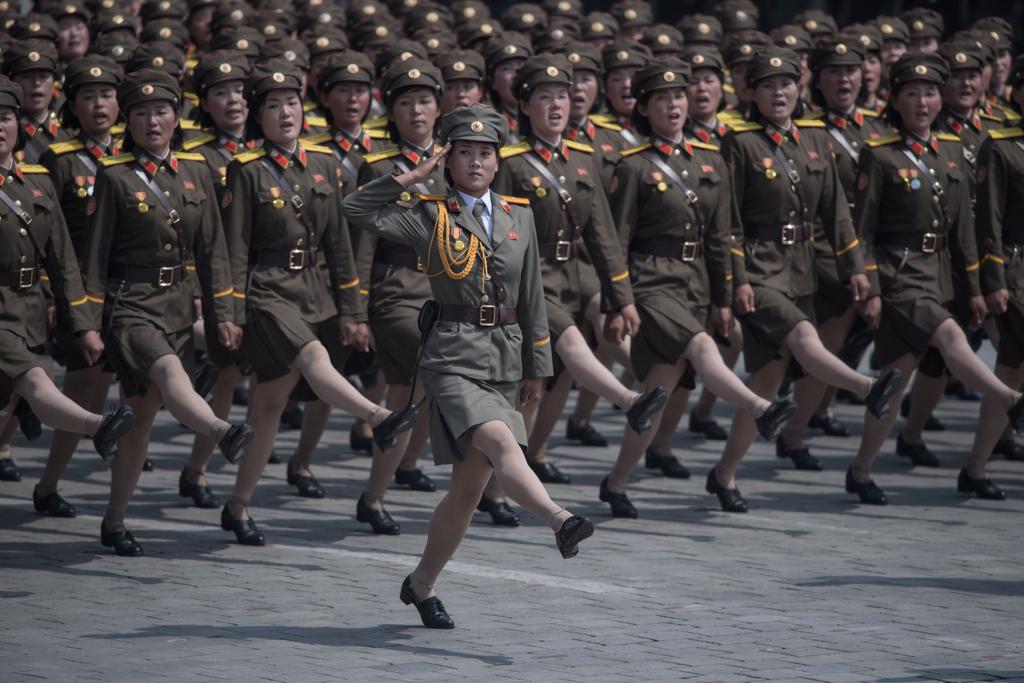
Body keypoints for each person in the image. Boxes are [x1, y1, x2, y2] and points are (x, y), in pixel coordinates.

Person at [344, 103, 595, 630]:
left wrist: (537, 365)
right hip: (451, 358)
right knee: (503, 444)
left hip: (504, 358)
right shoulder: (430, 213)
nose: (476, 162)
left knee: (466, 492)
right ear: (448, 159)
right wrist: (409, 177)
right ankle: (560, 519)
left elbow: (532, 299)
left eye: (485, 153)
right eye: (464, 153)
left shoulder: (517, 215)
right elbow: (355, 209)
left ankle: (421, 585)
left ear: (497, 161)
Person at [220, 64, 414, 545]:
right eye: (271, 105)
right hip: (267, 290)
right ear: (256, 115)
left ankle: (237, 505)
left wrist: (352, 309)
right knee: (313, 358)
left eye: (291, 103)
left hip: (317, 289)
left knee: (268, 406)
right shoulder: (245, 170)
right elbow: (234, 248)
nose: (284, 113)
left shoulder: (325, 164)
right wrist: (230, 312)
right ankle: (377, 417)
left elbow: (340, 245)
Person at [709, 47, 901, 513]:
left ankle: (724, 473)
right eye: (768, 86)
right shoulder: (740, 142)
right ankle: (867, 387)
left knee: (767, 382)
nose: (779, 93)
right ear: (750, 94)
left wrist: (857, 269)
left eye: (787, 84)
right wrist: (734, 280)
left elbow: (837, 215)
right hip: (758, 270)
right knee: (803, 334)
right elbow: (726, 219)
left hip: (802, 269)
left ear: (800, 88)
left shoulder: (816, 139)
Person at [599, 60, 794, 518]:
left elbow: (722, 235)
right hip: (650, 281)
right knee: (702, 347)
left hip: (696, 285)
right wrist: (620, 301)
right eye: (661, 99)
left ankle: (616, 481)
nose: (673, 105)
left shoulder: (709, 160)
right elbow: (615, 241)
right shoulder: (632, 168)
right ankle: (758, 406)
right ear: (644, 108)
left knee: (659, 394)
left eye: (679, 97)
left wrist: (724, 299)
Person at [80, 69, 253, 556]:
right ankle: (221, 430)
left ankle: (114, 520)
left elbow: (215, 248)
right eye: (140, 113)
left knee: (139, 418)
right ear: (126, 121)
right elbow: (94, 257)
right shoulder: (113, 176)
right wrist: (87, 324)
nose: (152, 121)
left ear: (177, 117)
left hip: (179, 303)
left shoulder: (197, 170)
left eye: (161, 112)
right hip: (130, 305)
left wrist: (225, 312)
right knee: (168, 368)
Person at [846, 53, 1024, 505]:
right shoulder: (879, 155)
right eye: (912, 93)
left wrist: (977, 286)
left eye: (929, 92)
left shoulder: (952, 152)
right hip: (900, 274)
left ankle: (860, 469)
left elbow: (965, 229)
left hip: (941, 275)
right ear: (896, 100)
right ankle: (1008, 397)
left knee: (893, 379)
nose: (922, 101)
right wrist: (870, 286)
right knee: (948, 337)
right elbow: (861, 230)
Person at [493, 54, 668, 498]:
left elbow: (605, 237)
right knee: (560, 352)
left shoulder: (584, 159)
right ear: (525, 105)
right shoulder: (510, 163)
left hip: (577, 270)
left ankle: (650, 383)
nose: (556, 106)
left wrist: (621, 298)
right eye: (545, 98)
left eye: (563, 97)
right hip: (531, 276)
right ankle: (630, 401)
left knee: (606, 329)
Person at [0, 74, 134, 497]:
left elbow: (62, 259)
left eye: (5, 118)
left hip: (30, 310)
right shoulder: (57, 166)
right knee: (35, 379)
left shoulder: (35, 181)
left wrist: (84, 323)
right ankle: (98, 424)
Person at [774, 36, 890, 471]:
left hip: (876, 250)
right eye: (834, 72)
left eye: (852, 71)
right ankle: (796, 429)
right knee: (823, 345)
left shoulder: (877, 129)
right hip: (823, 256)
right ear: (815, 81)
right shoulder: (809, 134)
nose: (845, 79)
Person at [352, 59, 446, 535]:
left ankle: (381, 489)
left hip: (448, 290)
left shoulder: (460, 161)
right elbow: (362, 245)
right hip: (397, 294)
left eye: (424, 101)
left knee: (413, 396)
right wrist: (356, 310)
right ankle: (377, 492)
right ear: (390, 111)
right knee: (420, 382)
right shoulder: (379, 167)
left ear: (439, 105)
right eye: (405, 103)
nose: (416, 111)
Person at [32, 55, 125, 517]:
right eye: (88, 96)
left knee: (103, 386)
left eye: (107, 95)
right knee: (80, 389)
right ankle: (47, 481)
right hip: (80, 294)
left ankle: (63, 485)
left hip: (125, 291)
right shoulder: (61, 159)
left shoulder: (131, 157)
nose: (99, 105)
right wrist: (53, 294)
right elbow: (49, 235)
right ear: (73, 106)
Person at [175, 50, 253, 509]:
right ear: (204, 102)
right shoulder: (197, 156)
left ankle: (202, 465)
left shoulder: (267, 154)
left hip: (251, 275)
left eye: (240, 91)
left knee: (235, 371)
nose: (233, 100)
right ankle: (198, 467)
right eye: (221, 93)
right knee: (227, 371)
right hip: (208, 275)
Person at [966, 64, 1024, 498]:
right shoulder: (1003, 148)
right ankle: (978, 465)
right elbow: (989, 219)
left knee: (1013, 370)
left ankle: (977, 465)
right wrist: (993, 277)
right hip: (1016, 270)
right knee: (1012, 367)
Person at [3, 41, 72, 164]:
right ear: (12, 82)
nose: (36, 83)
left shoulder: (69, 133)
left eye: (43, 76)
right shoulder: (6, 134)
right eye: (27, 77)